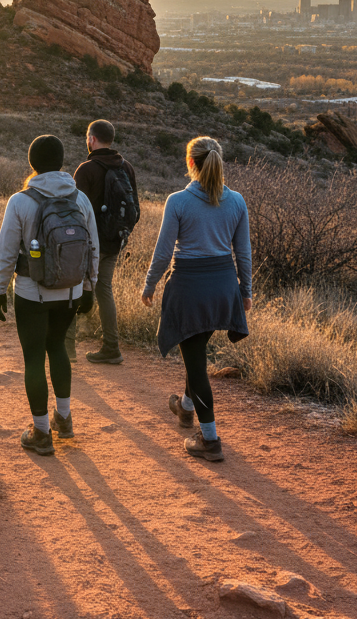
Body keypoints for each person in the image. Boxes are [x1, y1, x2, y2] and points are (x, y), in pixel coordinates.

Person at [141, 136, 251, 463]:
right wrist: (245, 292)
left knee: (196, 365)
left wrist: (149, 285)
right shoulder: (237, 201)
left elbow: (163, 253)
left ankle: (210, 439)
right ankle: (185, 408)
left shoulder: (177, 201)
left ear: (190, 164)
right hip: (223, 290)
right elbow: (243, 253)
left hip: (189, 289)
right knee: (196, 352)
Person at [0, 135, 99, 455]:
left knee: (34, 358)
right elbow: (92, 246)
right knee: (59, 348)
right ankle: (63, 419)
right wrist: (89, 288)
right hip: (71, 292)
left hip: (31, 292)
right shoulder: (79, 199)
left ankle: (41, 433)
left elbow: (7, 253)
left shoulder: (20, 201)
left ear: (32, 163)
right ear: (63, 162)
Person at [73, 119, 140, 365]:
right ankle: (111, 347)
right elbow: (135, 210)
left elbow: (75, 211)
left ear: (91, 139)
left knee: (74, 287)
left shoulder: (86, 169)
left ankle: (68, 349)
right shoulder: (127, 167)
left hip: (89, 243)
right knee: (104, 290)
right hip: (113, 242)